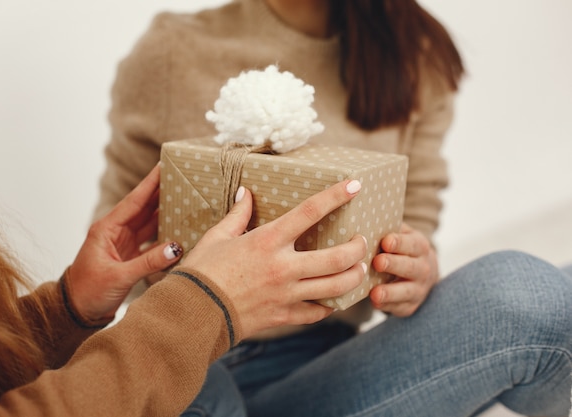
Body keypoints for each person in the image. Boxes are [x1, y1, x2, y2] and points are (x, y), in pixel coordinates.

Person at [93, 0, 572, 415]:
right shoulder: (170, 52)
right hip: (194, 364)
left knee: (540, 294)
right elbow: (116, 248)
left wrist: (413, 269)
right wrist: (209, 284)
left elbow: (411, 222)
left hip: (331, 373)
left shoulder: (416, 57)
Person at [0, 3, 373, 414]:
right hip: (202, 362)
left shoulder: (414, 57)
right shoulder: (171, 47)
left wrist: (67, 306)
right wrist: (205, 304)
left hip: (336, 349)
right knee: (211, 390)